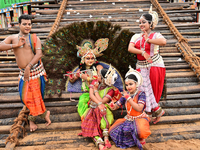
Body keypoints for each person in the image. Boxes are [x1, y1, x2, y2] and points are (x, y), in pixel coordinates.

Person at [0, 14, 51, 132]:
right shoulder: (13, 38)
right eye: (24, 24)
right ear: (19, 25)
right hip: (23, 73)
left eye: (29, 24)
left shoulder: (34, 38)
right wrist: (16, 45)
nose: (27, 26)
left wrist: (28, 66)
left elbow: (39, 54)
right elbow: (0, 45)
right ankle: (44, 114)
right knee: (25, 97)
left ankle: (33, 120)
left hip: (35, 71)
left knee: (37, 96)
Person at [128, 6, 166, 124]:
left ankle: (150, 114)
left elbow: (163, 42)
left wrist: (148, 40)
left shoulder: (156, 35)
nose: (141, 24)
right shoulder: (136, 36)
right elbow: (130, 48)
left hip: (155, 65)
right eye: (140, 22)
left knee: (153, 90)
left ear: (150, 23)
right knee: (141, 90)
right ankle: (150, 113)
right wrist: (142, 52)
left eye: (144, 22)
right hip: (141, 66)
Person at [109, 66, 151, 150]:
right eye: (127, 85)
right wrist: (112, 106)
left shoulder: (141, 94)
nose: (128, 87)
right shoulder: (125, 94)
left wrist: (128, 98)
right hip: (128, 119)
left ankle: (139, 137)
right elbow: (117, 106)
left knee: (141, 131)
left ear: (136, 84)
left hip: (140, 118)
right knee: (111, 131)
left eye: (131, 84)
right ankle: (134, 139)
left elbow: (139, 108)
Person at [79, 66, 119, 150]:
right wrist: (99, 104)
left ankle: (106, 138)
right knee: (91, 124)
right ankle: (100, 144)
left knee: (104, 115)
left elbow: (103, 101)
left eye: (100, 76)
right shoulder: (94, 82)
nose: (97, 77)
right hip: (93, 108)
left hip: (103, 108)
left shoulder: (111, 90)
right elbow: (91, 95)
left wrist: (96, 91)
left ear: (105, 79)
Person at [66, 39, 108, 117]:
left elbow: (101, 79)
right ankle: (86, 119)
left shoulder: (99, 67)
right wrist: (71, 77)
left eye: (92, 58)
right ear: (83, 60)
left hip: (98, 92)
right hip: (87, 94)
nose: (90, 60)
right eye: (88, 58)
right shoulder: (80, 70)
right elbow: (72, 80)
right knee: (81, 102)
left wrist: (87, 77)